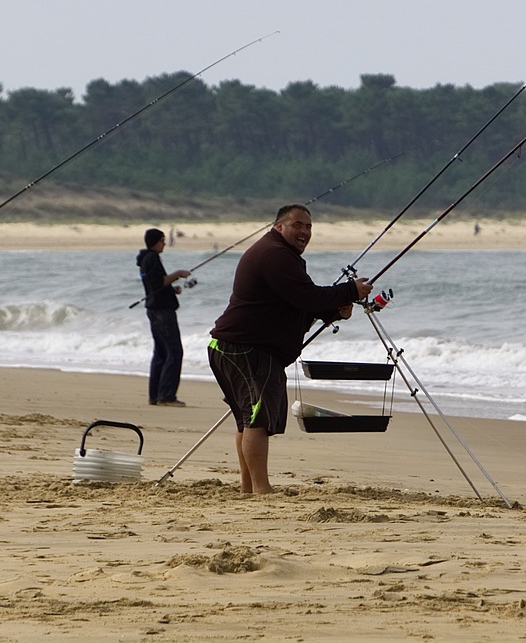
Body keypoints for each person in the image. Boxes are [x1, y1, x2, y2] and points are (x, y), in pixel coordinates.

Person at [207, 204, 372, 494]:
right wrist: (349, 291)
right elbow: (306, 297)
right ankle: (261, 489)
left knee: (248, 419)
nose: (304, 232)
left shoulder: (281, 255)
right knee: (256, 420)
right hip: (245, 349)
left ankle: (248, 488)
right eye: (298, 225)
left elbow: (294, 306)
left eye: (309, 227)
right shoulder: (275, 254)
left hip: (233, 348)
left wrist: (334, 311)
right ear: (279, 226)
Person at [137, 228, 191, 406]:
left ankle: (155, 395)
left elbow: (155, 284)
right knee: (174, 352)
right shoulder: (151, 258)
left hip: (154, 308)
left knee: (160, 352)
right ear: (154, 242)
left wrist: (171, 289)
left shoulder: (145, 259)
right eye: (162, 241)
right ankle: (166, 396)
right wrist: (178, 274)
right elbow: (159, 281)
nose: (164, 244)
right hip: (161, 311)